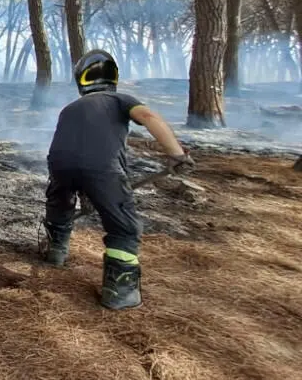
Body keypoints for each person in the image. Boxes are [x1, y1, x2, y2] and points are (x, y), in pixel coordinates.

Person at [43, 49, 195, 310]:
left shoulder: (70, 108)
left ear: (81, 80)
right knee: (124, 228)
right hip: (103, 169)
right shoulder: (121, 100)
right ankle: (119, 291)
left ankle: (55, 251)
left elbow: (72, 149)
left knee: (60, 204)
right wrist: (177, 154)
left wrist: (85, 191)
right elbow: (149, 118)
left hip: (59, 164)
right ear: (113, 78)